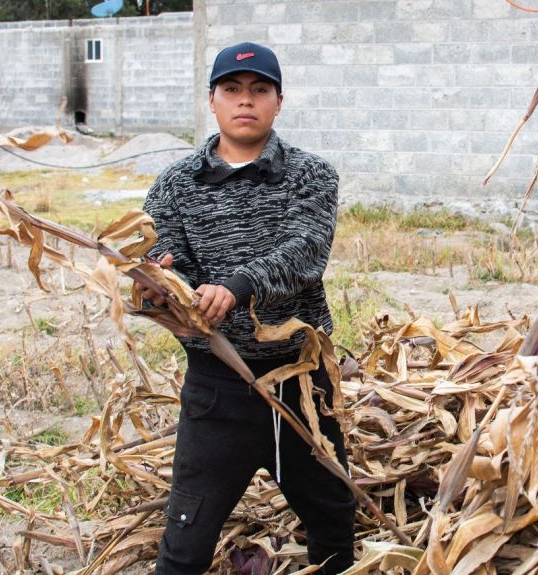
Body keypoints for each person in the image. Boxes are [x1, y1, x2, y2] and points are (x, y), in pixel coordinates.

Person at [137, 42, 356, 575]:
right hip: (218, 389)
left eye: (259, 90)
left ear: (278, 101)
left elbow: (305, 251)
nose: (245, 101)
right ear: (211, 100)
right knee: (185, 539)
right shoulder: (175, 184)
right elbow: (163, 257)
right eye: (231, 90)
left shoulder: (311, 176)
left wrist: (236, 286)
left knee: (333, 522)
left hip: (300, 384)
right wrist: (166, 287)